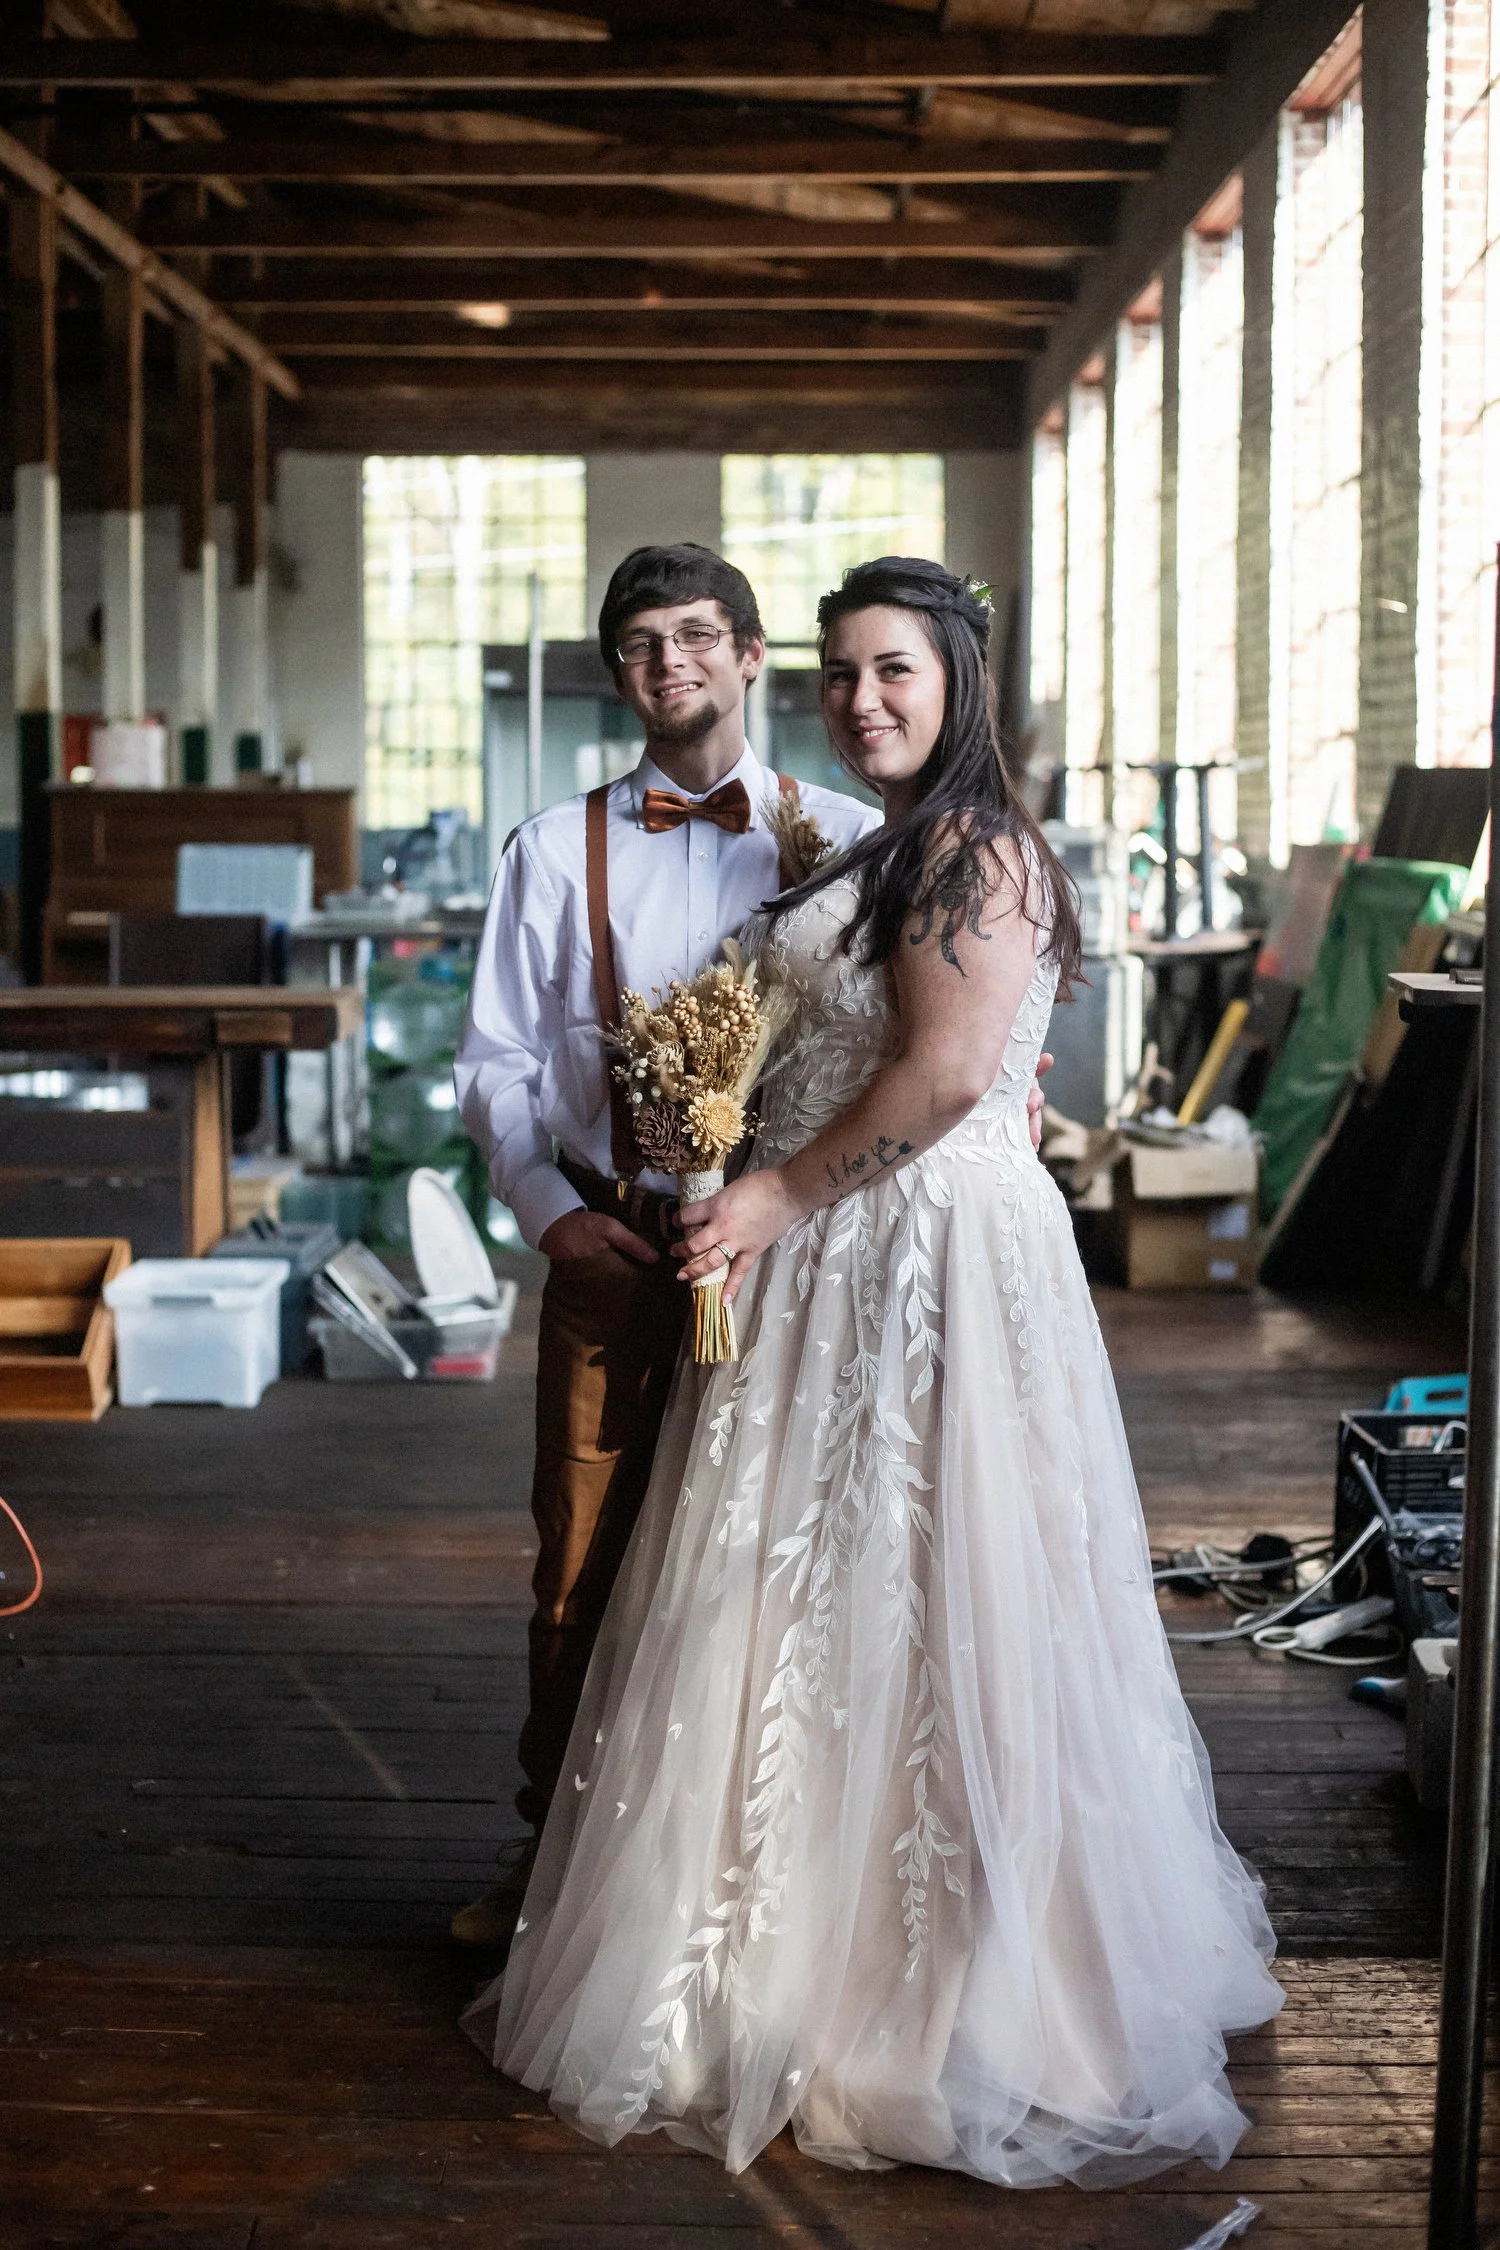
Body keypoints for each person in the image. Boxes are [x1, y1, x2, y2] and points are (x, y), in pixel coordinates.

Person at [463, 558, 1283, 2187]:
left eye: (891, 668)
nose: (865, 698)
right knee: (699, 1599)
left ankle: (936, 1976)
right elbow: (515, 1060)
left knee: (932, 1588)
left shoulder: (896, 831)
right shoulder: (594, 846)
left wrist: (797, 1176)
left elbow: (952, 1054)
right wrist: (583, 1207)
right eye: (849, 674)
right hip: (712, 1255)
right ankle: (641, 1894)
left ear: (952, 677)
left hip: (897, 1263)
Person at [452, 545, 1046, 1947]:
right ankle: (561, 1868)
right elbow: (492, 1065)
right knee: (587, 1560)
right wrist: (556, 1216)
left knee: (754, 1570)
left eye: (698, 637)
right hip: (620, 1240)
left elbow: (935, 1025)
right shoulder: (551, 847)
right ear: (619, 673)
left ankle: (764, 1885)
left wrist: (1004, 1081)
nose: (673, 664)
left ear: (749, 655)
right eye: (643, 644)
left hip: (799, 1255)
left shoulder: (853, 827)